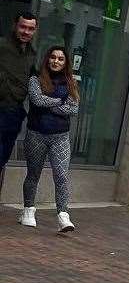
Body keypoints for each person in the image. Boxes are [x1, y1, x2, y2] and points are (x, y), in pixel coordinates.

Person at [22, 44, 78, 233]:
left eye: (60, 59)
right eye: (53, 57)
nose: (56, 61)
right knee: (33, 174)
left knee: (61, 175)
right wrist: (59, 102)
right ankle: (28, 210)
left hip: (60, 137)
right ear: (48, 59)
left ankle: (63, 215)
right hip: (36, 134)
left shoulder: (70, 83)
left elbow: (74, 109)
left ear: (65, 63)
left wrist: (49, 103)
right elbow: (37, 100)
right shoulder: (36, 80)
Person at [0, 12, 38, 205]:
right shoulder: (2, 46)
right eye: (23, 27)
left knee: (3, 159)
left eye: (30, 29)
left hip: (14, 113)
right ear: (16, 25)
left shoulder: (32, 55)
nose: (26, 31)